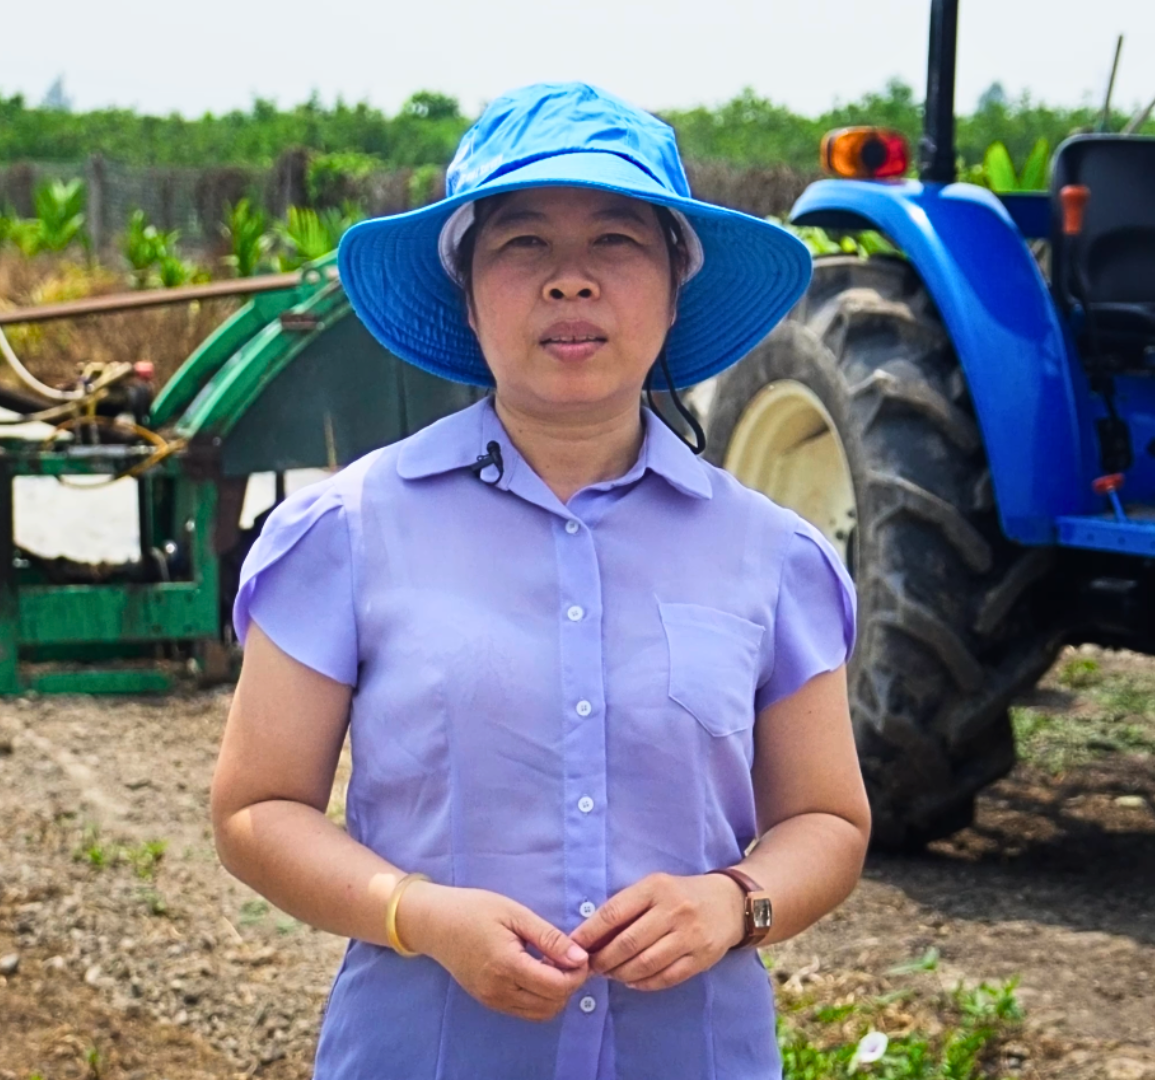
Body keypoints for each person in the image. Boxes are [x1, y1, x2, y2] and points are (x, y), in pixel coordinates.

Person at [209, 82, 868, 1079]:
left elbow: (829, 820)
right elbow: (257, 809)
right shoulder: (349, 530)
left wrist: (734, 901)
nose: (572, 282)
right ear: (467, 293)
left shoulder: (769, 552)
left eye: (616, 241)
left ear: (674, 289)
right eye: (523, 245)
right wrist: (418, 915)